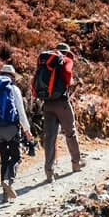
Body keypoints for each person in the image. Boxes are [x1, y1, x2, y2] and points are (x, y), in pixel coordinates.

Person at [41, 43, 85, 182]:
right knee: (70, 132)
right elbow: (67, 77)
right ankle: (76, 163)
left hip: (47, 104)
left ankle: (49, 172)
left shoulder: (48, 63)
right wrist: (72, 82)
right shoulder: (66, 61)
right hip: (62, 103)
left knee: (50, 138)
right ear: (66, 53)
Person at [0, 64, 33, 202]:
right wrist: (27, 131)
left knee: (4, 159)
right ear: (13, 78)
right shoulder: (14, 89)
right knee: (15, 157)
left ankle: (5, 193)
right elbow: (20, 112)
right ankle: (9, 182)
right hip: (11, 129)